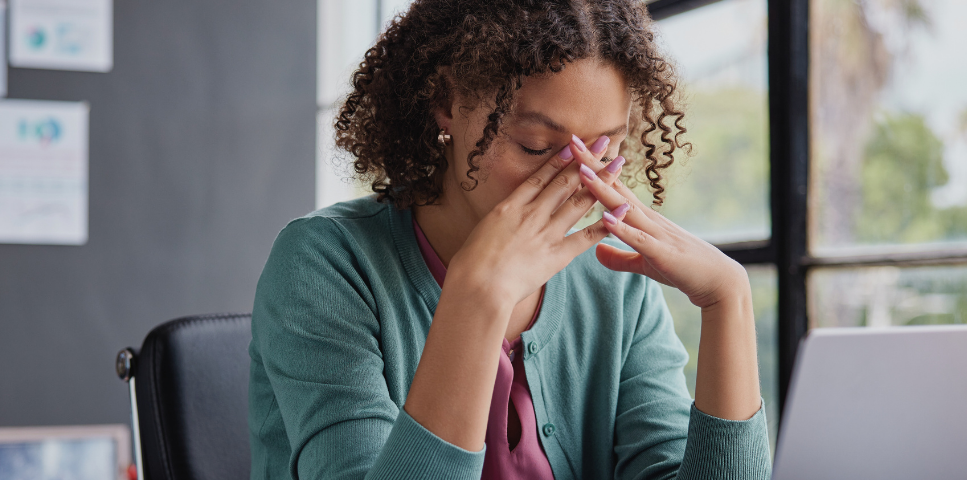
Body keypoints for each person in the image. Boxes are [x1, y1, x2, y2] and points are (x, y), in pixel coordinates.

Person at [248, 0, 771, 478]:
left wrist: (729, 301)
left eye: (601, 149)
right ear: (446, 103)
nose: (576, 180)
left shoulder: (613, 277)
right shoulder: (324, 265)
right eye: (536, 145)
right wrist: (478, 297)